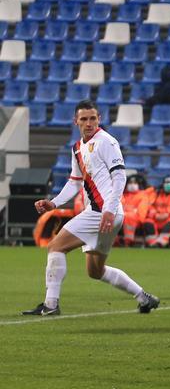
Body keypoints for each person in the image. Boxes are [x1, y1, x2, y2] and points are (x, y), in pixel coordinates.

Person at [23, 100, 159, 317]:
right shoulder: (77, 148)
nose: (89, 123)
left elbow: (119, 176)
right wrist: (54, 203)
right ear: (75, 121)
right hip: (106, 214)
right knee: (95, 271)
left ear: (100, 119)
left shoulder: (106, 141)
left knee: (56, 246)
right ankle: (144, 297)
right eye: (84, 119)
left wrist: (108, 209)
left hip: (101, 212)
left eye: (93, 118)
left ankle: (50, 304)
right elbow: (75, 181)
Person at [143, 174, 170, 248]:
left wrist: (168, 214)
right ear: (163, 184)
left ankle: (161, 242)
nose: (168, 185)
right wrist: (154, 214)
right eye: (166, 183)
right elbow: (149, 205)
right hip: (156, 218)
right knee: (147, 221)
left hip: (169, 218)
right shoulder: (156, 194)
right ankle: (153, 243)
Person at [121, 173, 154, 246]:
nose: (132, 185)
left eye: (135, 183)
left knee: (129, 217)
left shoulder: (143, 196)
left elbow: (141, 215)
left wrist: (126, 213)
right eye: (130, 183)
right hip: (122, 219)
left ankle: (128, 241)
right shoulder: (123, 195)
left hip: (136, 221)